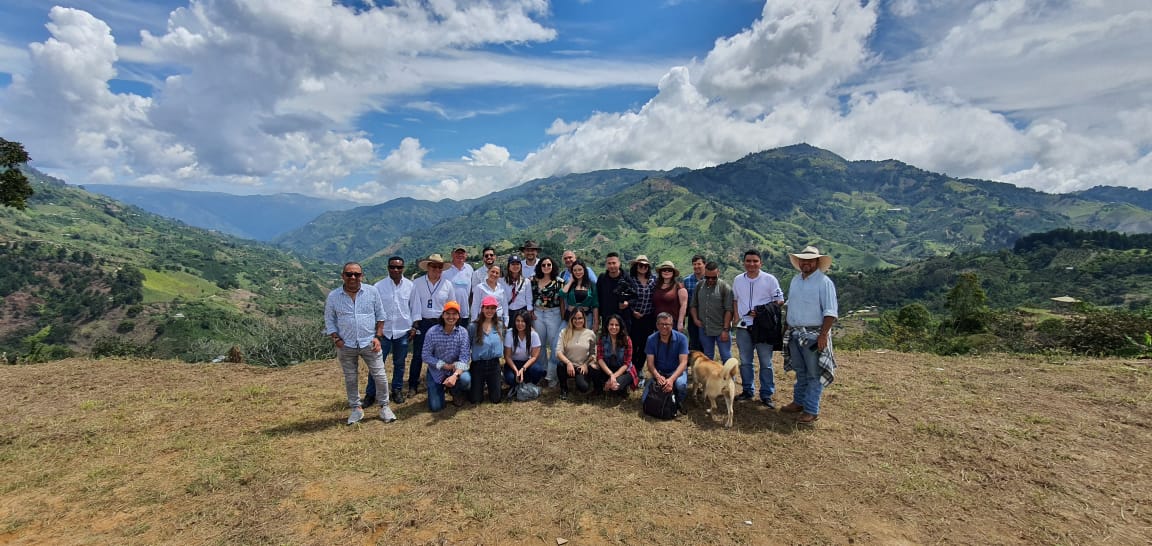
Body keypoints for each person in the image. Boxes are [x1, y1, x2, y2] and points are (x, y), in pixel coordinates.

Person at [323, 262, 397, 424]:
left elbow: (381, 316)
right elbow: (329, 319)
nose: (353, 277)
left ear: (361, 276)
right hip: (346, 344)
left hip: (369, 342)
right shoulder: (334, 296)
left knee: (380, 376)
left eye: (356, 274)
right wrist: (336, 338)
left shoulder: (372, 292)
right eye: (349, 274)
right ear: (343, 276)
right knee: (350, 377)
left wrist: (378, 337)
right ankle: (356, 408)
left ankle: (384, 406)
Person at [782, 246, 839, 425]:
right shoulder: (795, 280)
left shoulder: (824, 282)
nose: (806, 263)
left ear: (816, 262)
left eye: (810, 260)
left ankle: (811, 410)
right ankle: (799, 402)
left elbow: (830, 312)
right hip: (795, 332)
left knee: (814, 373)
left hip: (814, 335)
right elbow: (790, 305)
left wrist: (823, 335)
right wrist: (785, 329)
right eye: (803, 260)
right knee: (801, 370)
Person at [732, 249, 785, 407]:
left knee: (765, 362)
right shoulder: (738, 280)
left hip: (763, 327)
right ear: (744, 262)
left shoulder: (770, 279)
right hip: (743, 326)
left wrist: (762, 311)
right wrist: (736, 317)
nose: (751, 264)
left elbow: (779, 300)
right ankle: (748, 390)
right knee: (745, 361)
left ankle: (766, 393)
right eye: (748, 261)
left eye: (755, 261)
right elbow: (735, 300)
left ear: (760, 263)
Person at [364, 256, 415, 406]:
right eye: (393, 267)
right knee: (377, 364)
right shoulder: (378, 287)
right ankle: (370, 393)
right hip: (383, 332)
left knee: (399, 364)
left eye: (399, 267)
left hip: (402, 331)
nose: (396, 270)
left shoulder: (410, 286)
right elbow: (372, 309)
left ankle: (397, 390)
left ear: (403, 269)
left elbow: (414, 307)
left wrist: (414, 326)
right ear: (388, 268)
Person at [408, 253, 456, 397]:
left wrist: (450, 323)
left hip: (441, 323)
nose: (436, 269)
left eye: (439, 267)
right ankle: (412, 385)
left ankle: (445, 381)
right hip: (423, 322)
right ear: (428, 267)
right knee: (418, 355)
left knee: (444, 355)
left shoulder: (447, 284)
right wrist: (415, 324)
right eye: (434, 266)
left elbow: (451, 305)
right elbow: (415, 305)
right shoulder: (417, 283)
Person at [422, 301, 472, 412]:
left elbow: (465, 358)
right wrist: (445, 366)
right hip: (437, 371)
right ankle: (440, 388)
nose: (451, 317)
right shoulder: (432, 332)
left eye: (454, 314)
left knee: (466, 380)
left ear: (458, 316)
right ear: (443, 315)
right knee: (436, 407)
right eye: (448, 313)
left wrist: (454, 375)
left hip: (456, 369)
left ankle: (456, 391)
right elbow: (425, 355)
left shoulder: (463, 332)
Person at [642, 312, 689, 414]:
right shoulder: (651, 339)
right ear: (657, 325)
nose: (664, 326)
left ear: (672, 325)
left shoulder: (682, 339)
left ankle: (678, 400)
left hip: (676, 372)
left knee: (680, 384)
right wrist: (658, 376)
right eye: (661, 324)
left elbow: (684, 363)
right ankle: (668, 394)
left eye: (667, 324)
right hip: (660, 373)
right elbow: (650, 364)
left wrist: (671, 380)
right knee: (644, 400)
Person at [690, 261, 734, 361]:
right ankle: (709, 377)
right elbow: (693, 305)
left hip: (721, 328)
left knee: (726, 356)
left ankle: (730, 377)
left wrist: (726, 330)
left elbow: (729, 310)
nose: (710, 280)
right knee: (707, 356)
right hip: (704, 328)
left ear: (718, 273)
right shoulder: (699, 286)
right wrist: (695, 319)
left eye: (713, 278)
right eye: (707, 277)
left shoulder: (725, 287)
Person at [531, 256, 564, 387]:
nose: (546, 267)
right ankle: (543, 372)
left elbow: (562, 302)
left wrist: (563, 317)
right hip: (537, 313)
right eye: (543, 265)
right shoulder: (533, 280)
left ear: (553, 266)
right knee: (540, 345)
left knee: (554, 345)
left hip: (553, 314)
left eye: (548, 265)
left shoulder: (559, 282)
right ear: (540, 266)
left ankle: (552, 375)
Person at [468, 296, 505, 404]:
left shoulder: (499, 325)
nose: (490, 311)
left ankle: (495, 382)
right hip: (478, 365)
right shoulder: (473, 326)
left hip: (494, 365)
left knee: (496, 399)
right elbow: (468, 345)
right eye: (487, 308)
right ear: (482, 308)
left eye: (493, 308)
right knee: (476, 400)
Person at [555, 307, 596, 401]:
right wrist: (568, 363)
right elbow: (558, 352)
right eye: (575, 318)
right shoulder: (564, 332)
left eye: (580, 318)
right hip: (568, 366)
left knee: (583, 388)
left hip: (581, 367)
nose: (577, 321)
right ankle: (564, 389)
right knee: (560, 365)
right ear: (571, 319)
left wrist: (585, 364)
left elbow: (593, 354)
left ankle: (586, 379)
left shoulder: (590, 334)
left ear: (584, 319)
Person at [624, 255, 656, 373]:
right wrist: (633, 311)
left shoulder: (653, 280)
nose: (643, 268)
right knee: (633, 343)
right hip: (633, 317)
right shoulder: (630, 279)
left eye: (645, 266)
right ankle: (630, 368)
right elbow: (626, 296)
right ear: (636, 266)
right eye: (640, 265)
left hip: (648, 318)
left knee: (645, 345)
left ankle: (639, 369)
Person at [592, 314, 636, 396]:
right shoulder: (602, 338)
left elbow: (626, 363)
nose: (614, 327)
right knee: (593, 368)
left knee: (615, 388)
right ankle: (599, 387)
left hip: (623, 371)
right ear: (607, 326)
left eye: (617, 325)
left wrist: (614, 377)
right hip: (608, 369)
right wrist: (611, 374)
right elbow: (600, 358)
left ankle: (619, 386)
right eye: (611, 324)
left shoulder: (627, 340)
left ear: (621, 326)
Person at [504, 311, 545, 387]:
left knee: (538, 370)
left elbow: (534, 357)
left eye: (523, 321)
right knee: (510, 378)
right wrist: (516, 371)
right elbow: (507, 356)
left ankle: (529, 384)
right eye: (517, 321)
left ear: (527, 322)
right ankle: (518, 384)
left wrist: (523, 369)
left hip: (528, 363)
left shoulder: (534, 335)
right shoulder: (509, 333)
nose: (520, 324)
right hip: (513, 363)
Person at [561, 259, 599, 332]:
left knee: (584, 341)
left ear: (584, 270)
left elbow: (595, 305)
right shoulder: (569, 285)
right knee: (563, 340)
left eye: (580, 269)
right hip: (570, 317)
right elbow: (562, 294)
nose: (577, 272)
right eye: (575, 270)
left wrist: (596, 323)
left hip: (586, 317)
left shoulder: (591, 285)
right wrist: (571, 281)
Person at [596, 252, 631, 330]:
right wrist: (597, 317)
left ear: (619, 263)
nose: (612, 266)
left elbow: (635, 296)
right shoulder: (602, 279)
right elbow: (597, 298)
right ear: (606, 264)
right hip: (606, 320)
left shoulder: (627, 278)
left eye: (614, 263)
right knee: (607, 341)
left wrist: (627, 303)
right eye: (609, 263)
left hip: (623, 320)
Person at [651, 260, 688, 332]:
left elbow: (683, 305)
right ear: (660, 272)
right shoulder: (656, 286)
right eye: (664, 270)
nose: (666, 272)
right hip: (658, 322)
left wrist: (680, 323)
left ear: (673, 273)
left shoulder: (679, 287)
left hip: (672, 323)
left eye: (669, 270)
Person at [444, 246, 475, 329]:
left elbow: (472, 291)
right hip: (450, 314)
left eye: (462, 253)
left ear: (466, 255)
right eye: (458, 253)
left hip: (465, 313)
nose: (460, 255)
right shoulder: (445, 270)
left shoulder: (469, 269)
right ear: (452, 254)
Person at [683, 255, 706, 351]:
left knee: (706, 343)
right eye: (694, 264)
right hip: (693, 317)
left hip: (707, 316)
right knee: (694, 342)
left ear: (705, 264)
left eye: (699, 264)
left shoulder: (710, 279)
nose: (696, 266)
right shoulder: (687, 280)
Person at [503, 255, 533, 327]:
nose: (515, 266)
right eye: (513, 264)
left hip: (522, 312)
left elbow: (529, 299)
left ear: (521, 266)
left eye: (517, 264)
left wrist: (528, 314)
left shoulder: (526, 281)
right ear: (508, 266)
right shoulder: (502, 281)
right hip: (508, 312)